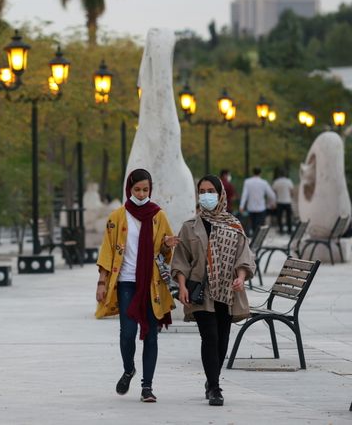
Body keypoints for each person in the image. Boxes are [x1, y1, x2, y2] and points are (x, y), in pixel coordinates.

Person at [95, 168, 179, 403]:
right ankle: (129, 369)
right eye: (137, 189)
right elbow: (107, 251)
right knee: (127, 333)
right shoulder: (117, 217)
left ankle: (147, 387)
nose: (141, 194)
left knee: (151, 335)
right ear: (128, 189)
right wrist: (102, 283)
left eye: (145, 190)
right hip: (126, 283)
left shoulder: (158, 216)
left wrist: (167, 244)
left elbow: (165, 253)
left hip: (151, 284)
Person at [172, 174, 256, 407]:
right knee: (209, 337)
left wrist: (240, 277)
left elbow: (244, 256)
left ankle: (212, 381)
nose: (206, 195)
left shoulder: (234, 224)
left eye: (211, 191)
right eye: (202, 191)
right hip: (201, 291)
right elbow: (181, 260)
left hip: (227, 292)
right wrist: (181, 286)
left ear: (221, 194)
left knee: (222, 339)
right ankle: (215, 387)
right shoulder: (189, 227)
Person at [239, 167, 276, 236]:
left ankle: (254, 240)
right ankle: (258, 240)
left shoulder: (247, 182)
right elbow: (272, 195)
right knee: (260, 227)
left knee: (253, 226)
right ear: (260, 173)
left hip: (251, 208)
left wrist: (241, 206)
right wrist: (272, 203)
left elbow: (244, 195)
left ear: (253, 173)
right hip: (261, 208)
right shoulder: (264, 183)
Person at [271, 169, 295, 235]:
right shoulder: (289, 181)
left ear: (279, 175)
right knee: (288, 217)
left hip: (279, 201)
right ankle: (289, 230)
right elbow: (292, 191)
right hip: (287, 201)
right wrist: (291, 197)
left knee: (279, 217)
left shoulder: (276, 182)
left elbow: (273, 191)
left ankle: (281, 230)